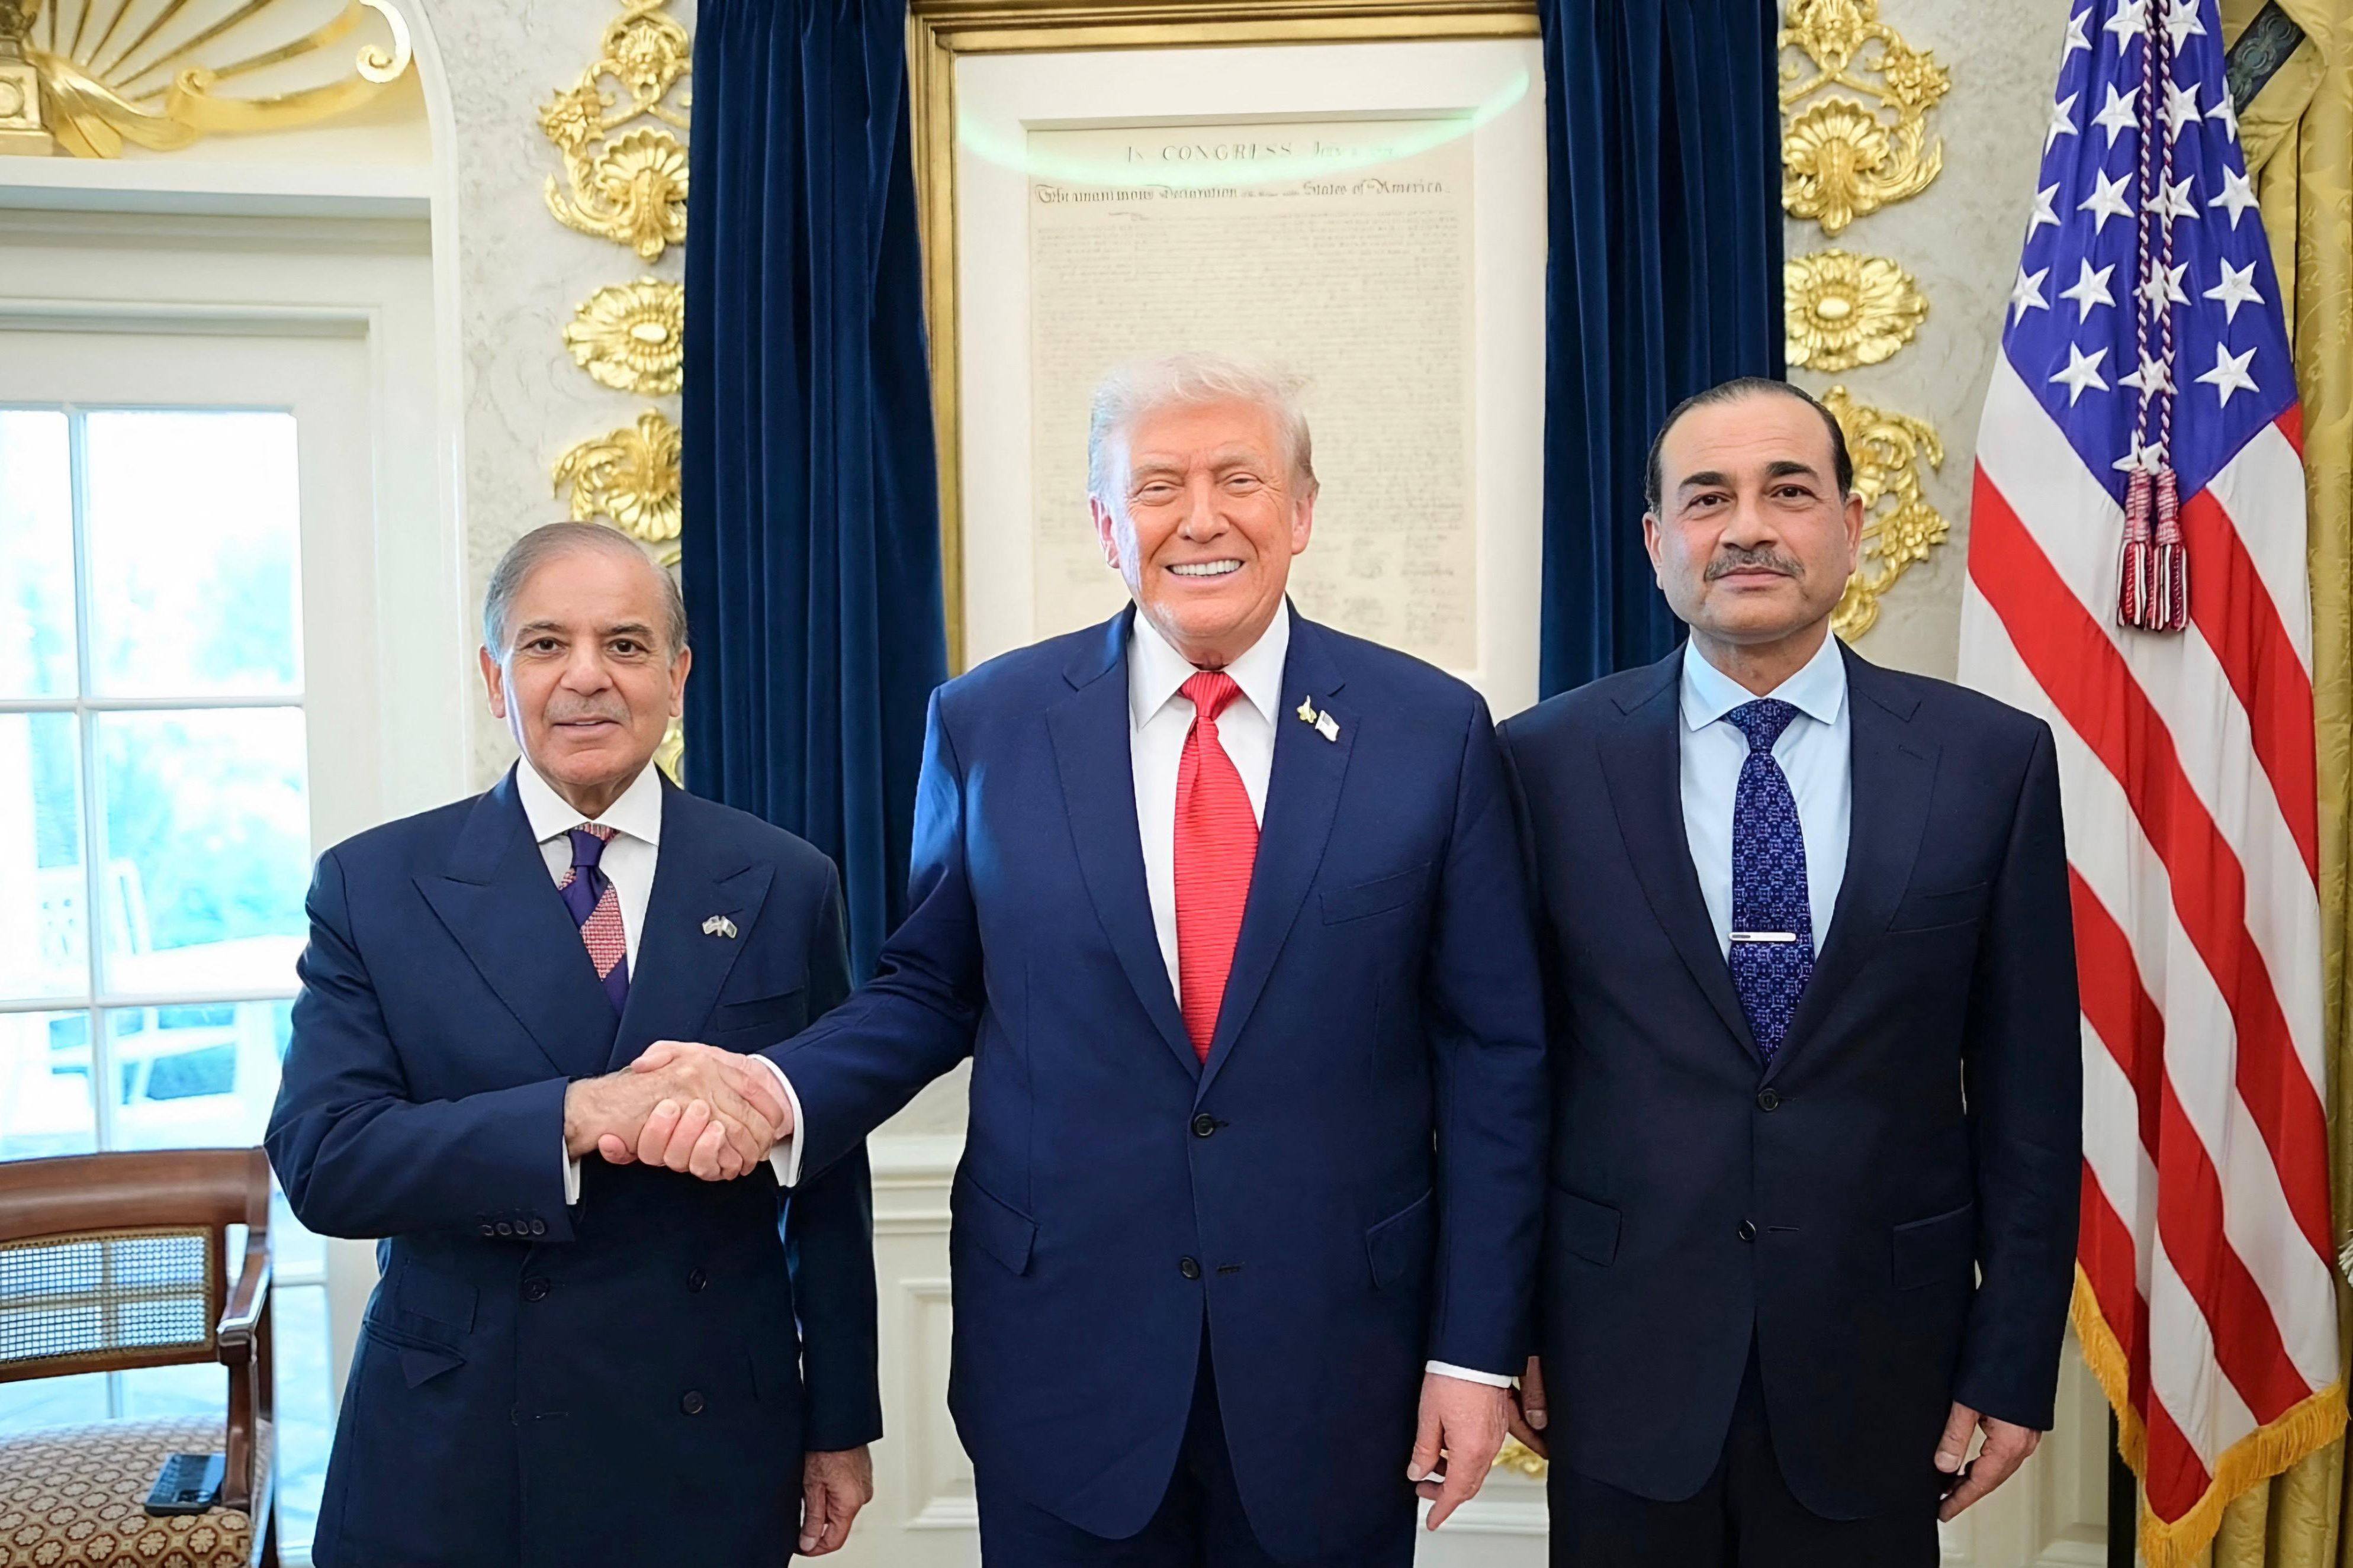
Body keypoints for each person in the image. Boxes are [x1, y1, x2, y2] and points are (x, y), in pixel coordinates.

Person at [618, 353, 1549, 1564]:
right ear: (1106, 523)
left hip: (1337, 1361)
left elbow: (1496, 1055)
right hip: (1063, 1357)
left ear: (1302, 511)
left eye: (1238, 479)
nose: (1200, 517)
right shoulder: (987, 722)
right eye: (1157, 485)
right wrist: (773, 1087)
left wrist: (1472, 1347)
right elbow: (929, 984)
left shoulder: (1431, 731)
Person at [1496, 377, 2081, 1566]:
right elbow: (1504, 1075)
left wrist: (2014, 1357)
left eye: (1789, 491)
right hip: (1616, 1363)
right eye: (1707, 498)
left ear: (1851, 528)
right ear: (1658, 542)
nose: (1748, 526)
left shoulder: (1988, 763)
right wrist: (1497, 1322)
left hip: (1881, 1364)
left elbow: (2030, 1093)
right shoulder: (1538, 763)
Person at [266, 523, 882, 1567]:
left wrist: (838, 1418)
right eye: (547, 644)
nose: (586, 678)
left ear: (678, 675)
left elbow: (826, 1175)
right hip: (457, 1443)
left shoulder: (785, 879)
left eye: (627, 645)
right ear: (492, 676)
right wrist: (578, 1114)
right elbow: (328, 1161)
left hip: (709, 1437)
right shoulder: (375, 885)